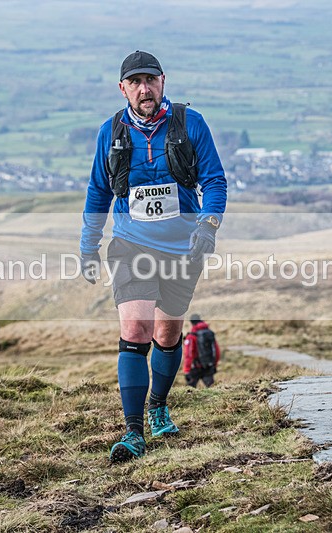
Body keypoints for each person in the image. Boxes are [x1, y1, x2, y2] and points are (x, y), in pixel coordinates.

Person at [80, 50, 227, 462]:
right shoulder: (110, 132)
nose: (145, 88)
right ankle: (133, 432)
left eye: (151, 79)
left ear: (163, 81)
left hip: (184, 246)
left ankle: (158, 406)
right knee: (137, 327)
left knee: (167, 333)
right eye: (136, 81)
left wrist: (208, 226)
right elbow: (99, 191)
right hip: (131, 244)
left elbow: (214, 180)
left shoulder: (189, 124)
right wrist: (88, 245)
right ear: (123, 88)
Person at [183, 313, 221, 388]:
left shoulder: (191, 336)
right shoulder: (209, 333)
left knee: (189, 391)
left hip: (195, 368)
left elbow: (188, 354)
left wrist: (187, 369)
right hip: (208, 366)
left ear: (191, 322)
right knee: (212, 390)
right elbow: (216, 350)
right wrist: (214, 364)